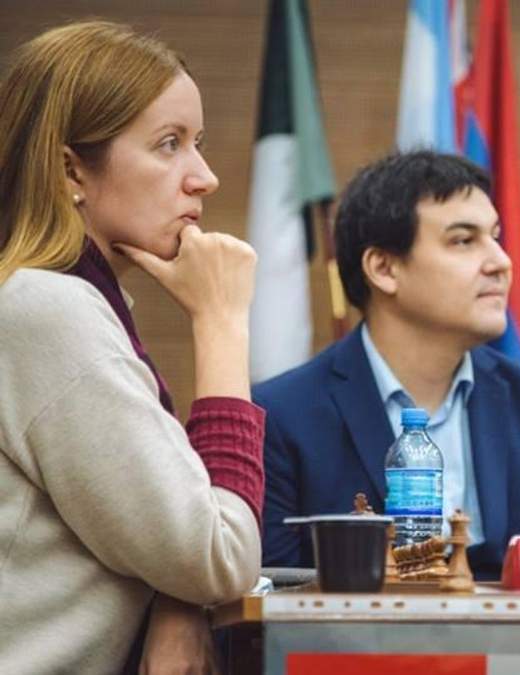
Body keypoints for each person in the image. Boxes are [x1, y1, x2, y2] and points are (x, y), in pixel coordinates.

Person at [0, 22, 265, 674]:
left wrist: (178, 604)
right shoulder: (47, 310)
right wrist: (221, 323)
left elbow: (172, 541)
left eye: (198, 144)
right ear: (71, 170)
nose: (204, 178)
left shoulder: (54, 301)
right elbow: (220, 556)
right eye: (169, 144)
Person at [255, 151, 520, 580]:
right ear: (384, 268)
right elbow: (268, 599)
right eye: (463, 240)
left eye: (495, 237)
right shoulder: (281, 417)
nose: (500, 261)